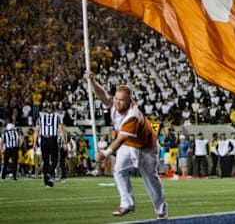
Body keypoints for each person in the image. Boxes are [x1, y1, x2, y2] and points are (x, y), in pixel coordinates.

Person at [86, 73, 168, 219]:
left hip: (147, 147)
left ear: (129, 100)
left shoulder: (133, 115)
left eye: (121, 100)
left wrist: (105, 153)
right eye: (116, 99)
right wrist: (92, 81)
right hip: (129, 144)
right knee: (118, 171)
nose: (117, 103)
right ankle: (127, 204)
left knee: (151, 179)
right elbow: (102, 95)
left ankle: (161, 211)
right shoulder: (114, 103)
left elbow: (121, 139)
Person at [33, 106, 66, 188]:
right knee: (55, 159)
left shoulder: (40, 118)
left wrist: (34, 143)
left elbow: (36, 131)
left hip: (44, 140)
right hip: (52, 139)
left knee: (45, 161)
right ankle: (50, 173)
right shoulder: (56, 117)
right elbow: (61, 129)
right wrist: (64, 142)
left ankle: (47, 182)